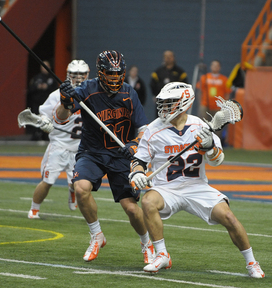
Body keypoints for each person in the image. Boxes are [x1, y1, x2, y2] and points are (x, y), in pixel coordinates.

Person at [129, 82, 265, 278]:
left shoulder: (201, 126)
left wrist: (209, 146)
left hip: (197, 186)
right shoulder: (153, 130)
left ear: (183, 103)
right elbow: (139, 160)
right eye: (163, 103)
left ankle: (252, 262)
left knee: (229, 218)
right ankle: (161, 254)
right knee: (148, 200)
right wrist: (138, 174)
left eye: (169, 103)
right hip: (167, 188)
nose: (164, 107)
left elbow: (217, 160)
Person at [55, 50, 155, 263]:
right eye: (110, 74)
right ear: (101, 73)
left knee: (131, 209)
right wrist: (65, 100)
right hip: (92, 152)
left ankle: (146, 242)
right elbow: (61, 117)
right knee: (81, 188)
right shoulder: (86, 90)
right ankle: (96, 235)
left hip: (121, 155)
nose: (115, 78)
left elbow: (143, 129)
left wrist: (134, 144)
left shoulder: (129, 93)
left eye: (118, 73)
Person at [27, 59, 90, 219]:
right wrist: (44, 123)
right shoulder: (56, 95)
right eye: (74, 74)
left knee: (79, 184)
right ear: (68, 75)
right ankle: (34, 209)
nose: (77, 77)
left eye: (81, 74)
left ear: (87, 75)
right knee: (47, 181)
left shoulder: (92, 95)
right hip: (59, 145)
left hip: (80, 148)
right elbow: (43, 115)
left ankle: (72, 191)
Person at [198, 60, 231, 143]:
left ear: (219, 67)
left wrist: (225, 105)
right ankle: (202, 141)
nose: (215, 67)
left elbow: (227, 93)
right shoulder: (204, 77)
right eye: (213, 65)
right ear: (210, 66)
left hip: (218, 106)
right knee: (203, 123)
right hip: (205, 104)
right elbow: (200, 91)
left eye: (217, 66)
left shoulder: (224, 79)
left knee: (218, 125)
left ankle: (216, 142)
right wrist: (201, 102)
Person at [150, 50, 189, 119]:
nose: (168, 58)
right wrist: (155, 95)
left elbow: (185, 85)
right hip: (161, 101)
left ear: (173, 58)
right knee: (160, 119)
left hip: (175, 101)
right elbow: (152, 84)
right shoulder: (158, 71)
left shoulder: (180, 72)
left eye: (170, 56)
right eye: (166, 56)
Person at [27, 60, 59, 140]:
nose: (44, 68)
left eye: (46, 66)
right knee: (36, 119)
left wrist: (47, 87)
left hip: (48, 104)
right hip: (37, 103)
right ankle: (35, 135)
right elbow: (30, 89)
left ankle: (46, 136)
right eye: (43, 66)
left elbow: (57, 91)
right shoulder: (36, 78)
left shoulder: (53, 78)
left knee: (47, 119)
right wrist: (38, 87)